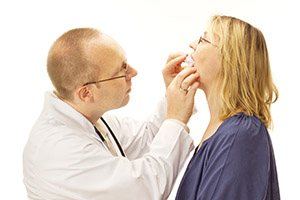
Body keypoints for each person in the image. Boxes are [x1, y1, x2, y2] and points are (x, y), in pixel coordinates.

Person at [23, 28, 200, 200]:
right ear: (86, 93)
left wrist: (173, 93)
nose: (133, 72)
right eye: (122, 70)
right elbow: (145, 189)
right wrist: (176, 120)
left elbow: (146, 139)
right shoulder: (61, 149)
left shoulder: (88, 118)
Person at [176, 15, 280, 200]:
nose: (192, 44)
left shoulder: (241, 134)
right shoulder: (228, 131)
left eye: (203, 39)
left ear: (230, 59)